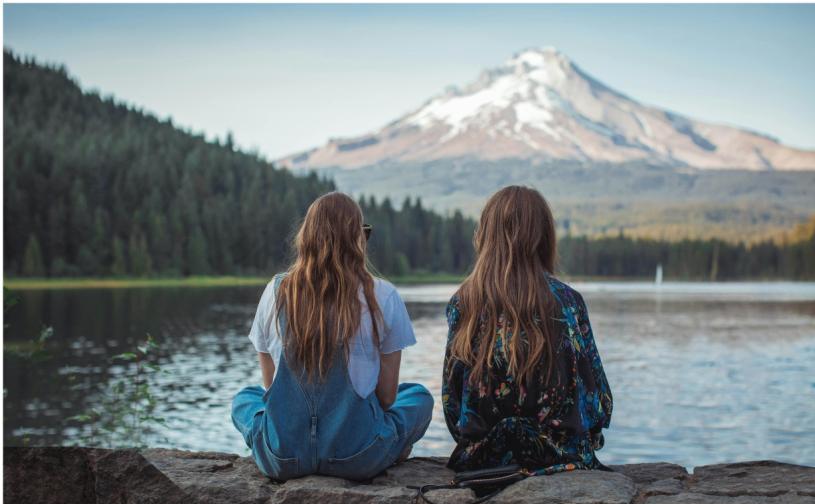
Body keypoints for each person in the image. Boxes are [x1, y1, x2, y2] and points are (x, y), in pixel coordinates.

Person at [231, 192, 433, 482]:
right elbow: (387, 398)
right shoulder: (383, 294)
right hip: (357, 457)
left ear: (307, 237)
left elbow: (271, 388)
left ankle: (264, 445)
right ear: (357, 240)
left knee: (246, 398)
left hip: (284, 458)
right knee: (418, 396)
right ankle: (392, 446)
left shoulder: (276, 291)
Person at [442, 185, 613, 473]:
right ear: (544, 237)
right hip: (559, 456)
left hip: (483, 459)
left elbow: (452, 403)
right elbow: (599, 403)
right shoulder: (568, 302)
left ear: (486, 234)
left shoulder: (463, 302)